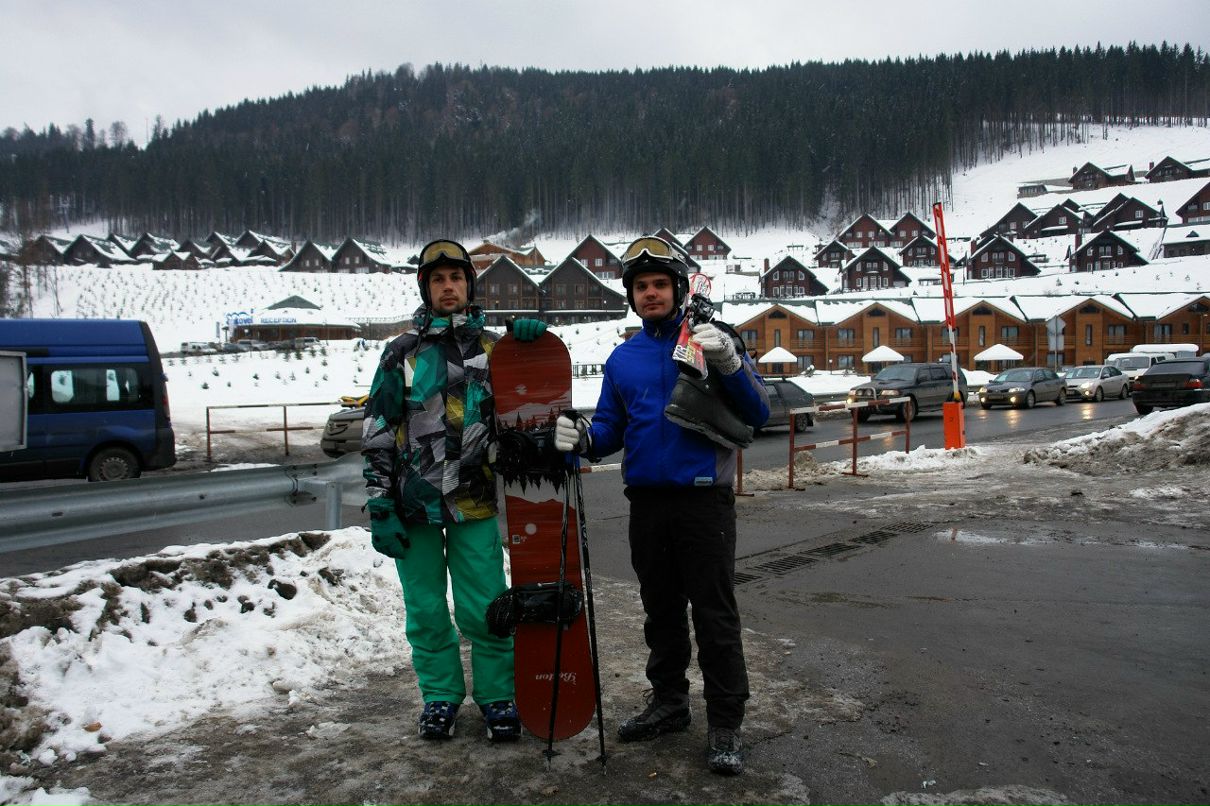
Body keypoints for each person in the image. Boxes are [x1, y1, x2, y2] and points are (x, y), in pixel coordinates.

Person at [554, 236, 769, 775]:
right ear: (631, 296)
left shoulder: (712, 339)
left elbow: (758, 411)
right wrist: (583, 438)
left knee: (715, 615)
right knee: (661, 611)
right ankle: (670, 703)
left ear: (678, 289)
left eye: (659, 284)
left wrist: (729, 362)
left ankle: (725, 722)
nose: (650, 293)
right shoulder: (622, 358)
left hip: (704, 501)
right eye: (641, 287)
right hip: (647, 503)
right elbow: (611, 428)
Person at [362, 238, 546, 743]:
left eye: (457, 278)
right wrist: (381, 504)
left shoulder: (494, 350)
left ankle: (497, 696)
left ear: (469, 285)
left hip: (475, 501)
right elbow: (378, 430)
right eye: (438, 279)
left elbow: (530, 405)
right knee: (425, 611)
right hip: (414, 504)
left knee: (486, 607)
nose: (449, 287)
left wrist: (530, 347)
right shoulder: (401, 352)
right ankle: (440, 696)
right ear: (426, 288)